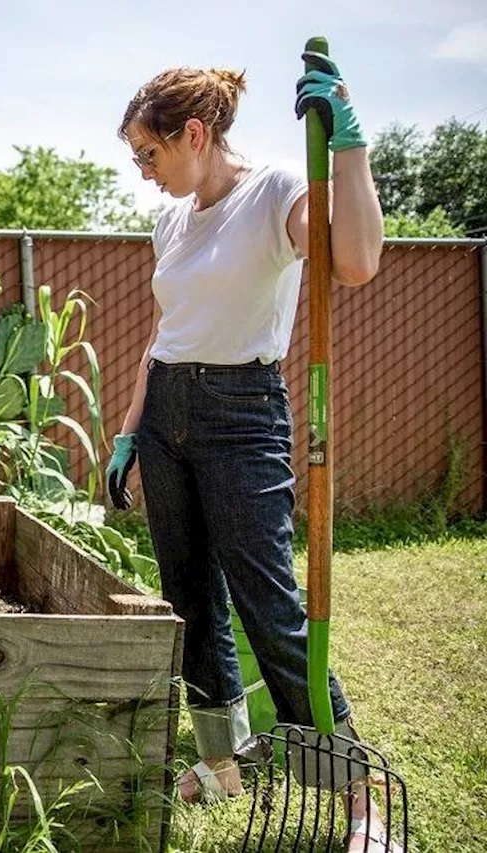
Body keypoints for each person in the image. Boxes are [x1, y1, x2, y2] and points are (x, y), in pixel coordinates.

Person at [104, 56, 399, 852]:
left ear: (195, 134)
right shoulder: (170, 220)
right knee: (189, 600)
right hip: (167, 415)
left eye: (149, 154)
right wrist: (131, 430)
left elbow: (359, 260)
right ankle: (221, 760)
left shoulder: (275, 193)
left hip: (243, 416)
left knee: (269, 607)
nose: (143, 171)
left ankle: (358, 794)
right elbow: (164, 339)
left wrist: (349, 149)